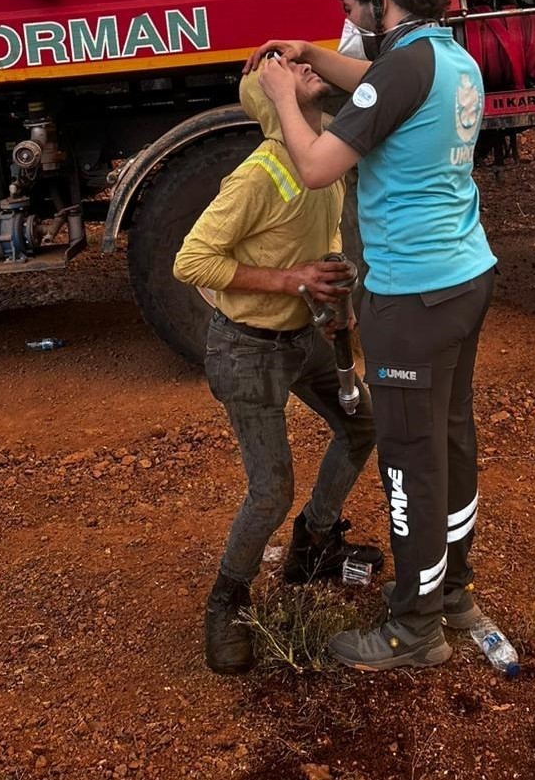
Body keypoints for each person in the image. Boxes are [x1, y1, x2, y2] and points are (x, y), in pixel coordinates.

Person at [248, 0, 497, 672]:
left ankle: (414, 629)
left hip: (409, 298)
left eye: (353, 3)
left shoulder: (395, 74)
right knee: (450, 441)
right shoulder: (448, 57)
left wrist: (281, 93)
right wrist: (312, 49)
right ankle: (456, 592)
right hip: (463, 279)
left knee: (408, 463)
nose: (349, 16)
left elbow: (320, 165)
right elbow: (370, 71)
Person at [173, 57, 381, 675]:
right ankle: (226, 602)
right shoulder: (258, 176)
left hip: (301, 339)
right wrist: (292, 280)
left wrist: (333, 303)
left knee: (362, 425)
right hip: (246, 347)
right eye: (285, 68)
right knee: (270, 491)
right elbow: (191, 260)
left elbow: (327, 244)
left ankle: (312, 546)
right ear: (272, 100)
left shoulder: (323, 158)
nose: (299, 64)